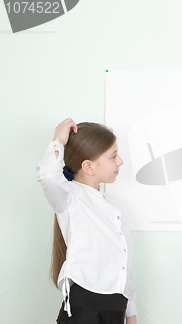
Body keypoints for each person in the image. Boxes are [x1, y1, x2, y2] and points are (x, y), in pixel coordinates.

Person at [36, 118, 137, 324]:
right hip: (85, 310)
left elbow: (126, 265)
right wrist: (58, 140)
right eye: (113, 156)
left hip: (116, 310)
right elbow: (47, 176)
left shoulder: (116, 207)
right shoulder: (70, 198)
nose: (120, 162)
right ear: (88, 166)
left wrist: (131, 315)